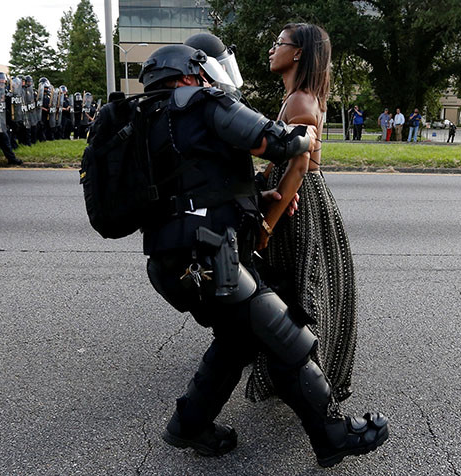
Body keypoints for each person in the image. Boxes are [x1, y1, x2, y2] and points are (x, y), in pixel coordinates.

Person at [132, 44, 388, 467]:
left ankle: (188, 425)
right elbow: (276, 139)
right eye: (201, 72)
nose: (207, 78)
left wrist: (253, 196)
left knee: (236, 340)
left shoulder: (148, 118)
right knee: (286, 338)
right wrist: (307, 135)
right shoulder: (201, 102)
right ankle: (331, 435)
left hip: (169, 261)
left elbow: (194, 179)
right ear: (189, 73)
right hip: (212, 258)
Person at [247, 21, 362, 407]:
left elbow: (297, 168)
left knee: (296, 288)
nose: (271, 49)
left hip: (300, 200)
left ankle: (302, 376)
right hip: (295, 192)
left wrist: (267, 224)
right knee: (297, 285)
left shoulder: (300, 101)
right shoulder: (300, 96)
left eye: (278, 43)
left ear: (297, 53)